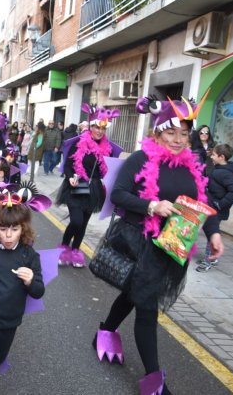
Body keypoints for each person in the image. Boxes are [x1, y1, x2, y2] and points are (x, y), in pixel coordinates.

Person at [93, 95, 224, 394]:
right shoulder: (141, 159)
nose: (178, 140)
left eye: (183, 133)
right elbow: (119, 195)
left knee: (133, 294)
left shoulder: (193, 165)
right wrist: (152, 206)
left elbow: (203, 202)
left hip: (173, 245)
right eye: (171, 132)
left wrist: (213, 233)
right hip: (141, 242)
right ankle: (154, 380)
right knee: (146, 307)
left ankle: (106, 329)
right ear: (157, 132)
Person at [0, 191, 46, 395]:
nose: (8, 235)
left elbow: (38, 292)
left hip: (13, 320)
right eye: (3, 229)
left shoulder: (29, 255)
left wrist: (31, 280)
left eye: (14, 229)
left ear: (22, 228)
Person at [56, 106, 121, 267]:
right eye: (97, 127)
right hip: (76, 185)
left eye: (103, 128)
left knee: (83, 223)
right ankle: (64, 247)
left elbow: (108, 171)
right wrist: (70, 177)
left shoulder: (109, 149)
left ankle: (76, 251)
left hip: (94, 189)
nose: (99, 131)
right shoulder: (79, 142)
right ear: (91, 126)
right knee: (76, 221)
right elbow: (68, 165)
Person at [196, 144, 233, 272]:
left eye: (214, 155)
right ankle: (211, 258)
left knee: (212, 236)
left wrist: (220, 204)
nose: (211, 156)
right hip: (212, 207)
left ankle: (208, 261)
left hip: (216, 210)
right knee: (210, 234)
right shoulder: (219, 169)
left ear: (221, 157)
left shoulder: (224, 173)